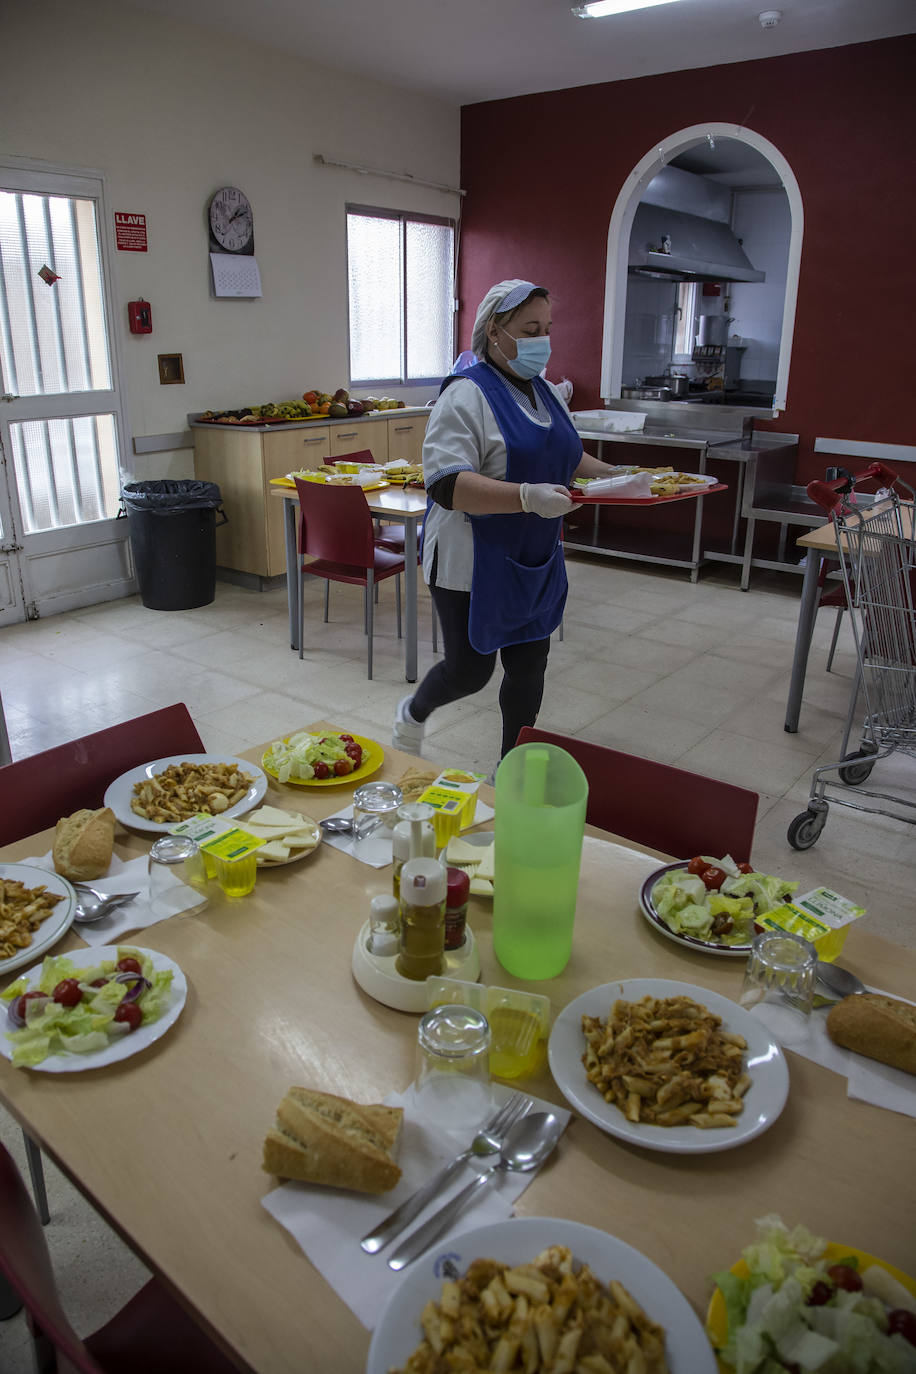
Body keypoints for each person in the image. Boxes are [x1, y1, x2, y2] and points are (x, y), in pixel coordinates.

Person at [392, 278, 620, 763]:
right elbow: (447, 485)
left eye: (547, 328)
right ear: (495, 332)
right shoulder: (465, 396)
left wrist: (625, 478)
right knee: (470, 671)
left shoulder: (546, 393)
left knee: (529, 666)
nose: (543, 339)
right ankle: (412, 712)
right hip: (470, 559)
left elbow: (569, 453)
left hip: (533, 554)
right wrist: (525, 497)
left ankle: (508, 767)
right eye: (529, 328)